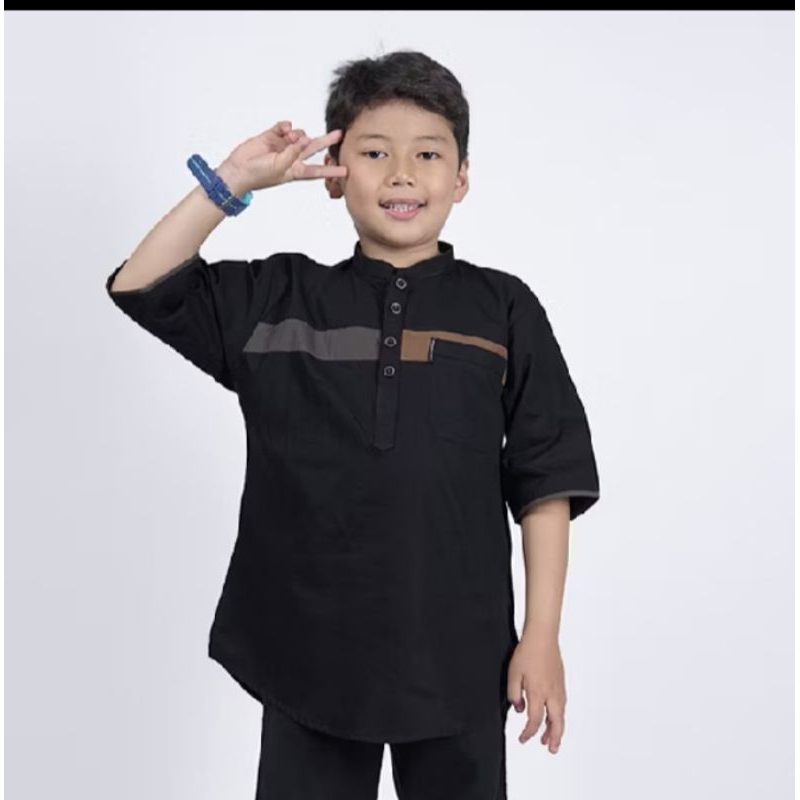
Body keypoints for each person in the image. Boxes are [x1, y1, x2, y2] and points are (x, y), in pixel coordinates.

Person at [106, 49, 600, 800]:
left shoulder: (503, 309)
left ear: (462, 177)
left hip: (460, 657)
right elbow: (141, 283)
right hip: (307, 654)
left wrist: (541, 637)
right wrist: (233, 179)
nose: (401, 174)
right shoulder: (280, 299)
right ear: (335, 174)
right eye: (374, 153)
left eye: (427, 154)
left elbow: (545, 481)